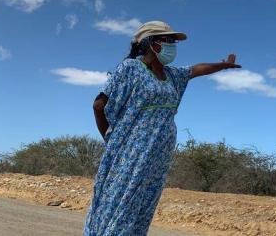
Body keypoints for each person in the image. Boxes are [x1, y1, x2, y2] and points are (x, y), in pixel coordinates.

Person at [83, 21, 241, 235]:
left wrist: (222, 66)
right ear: (150, 43)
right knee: (122, 203)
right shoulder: (131, 68)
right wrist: (111, 139)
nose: (172, 45)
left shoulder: (172, 76)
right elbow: (99, 105)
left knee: (143, 206)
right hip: (131, 153)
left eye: (174, 41)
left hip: (158, 157)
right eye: (167, 40)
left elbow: (197, 69)